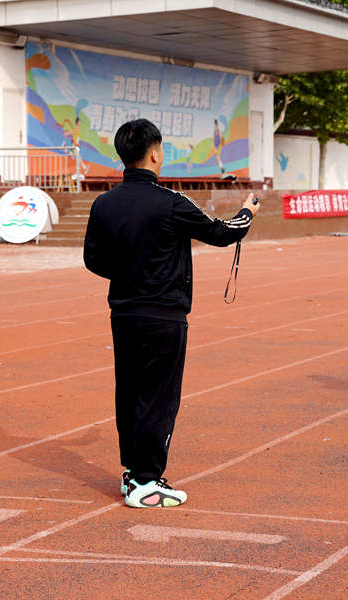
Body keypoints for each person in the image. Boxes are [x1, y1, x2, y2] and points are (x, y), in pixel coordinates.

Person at [83, 119, 259, 508]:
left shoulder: (103, 203)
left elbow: (93, 259)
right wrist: (247, 210)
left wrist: (131, 272)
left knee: (129, 394)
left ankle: (133, 473)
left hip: (123, 313)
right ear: (155, 154)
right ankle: (147, 482)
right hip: (163, 316)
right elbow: (223, 232)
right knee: (158, 398)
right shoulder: (172, 202)